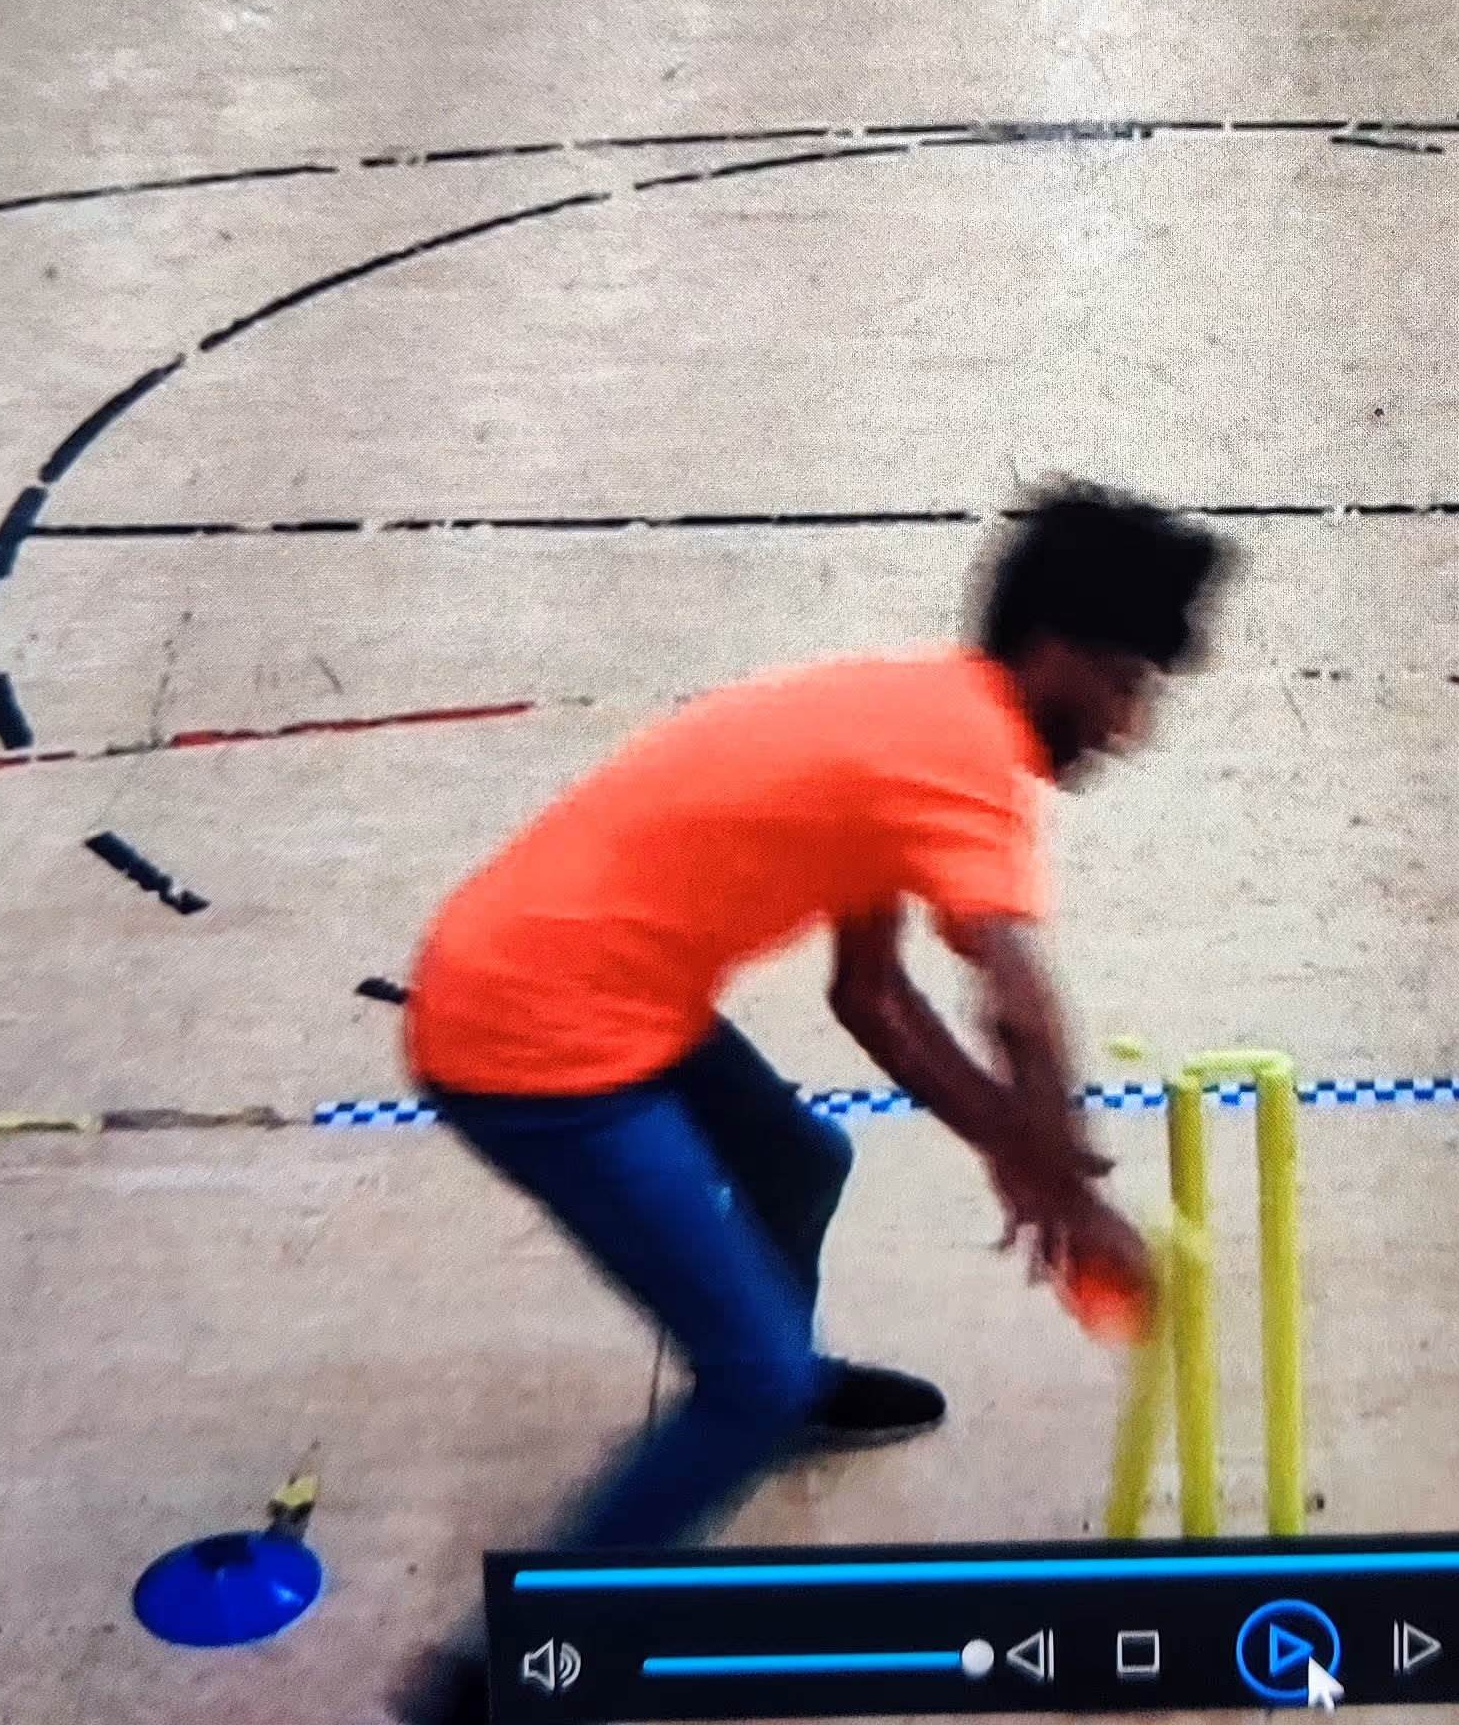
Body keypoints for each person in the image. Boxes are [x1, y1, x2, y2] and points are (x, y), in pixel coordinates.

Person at [385, 487, 1227, 1725]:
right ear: (1055, 654)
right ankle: (502, 1680)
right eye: (1125, 682)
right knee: (754, 1376)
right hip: (531, 1037)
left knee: (802, 1162)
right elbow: (1020, 1006)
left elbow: (871, 997)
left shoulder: (918, 718)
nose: (1130, 724)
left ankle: (773, 1397)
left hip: (593, 988)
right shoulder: (967, 757)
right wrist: (1062, 1188)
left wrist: (1016, 1150)